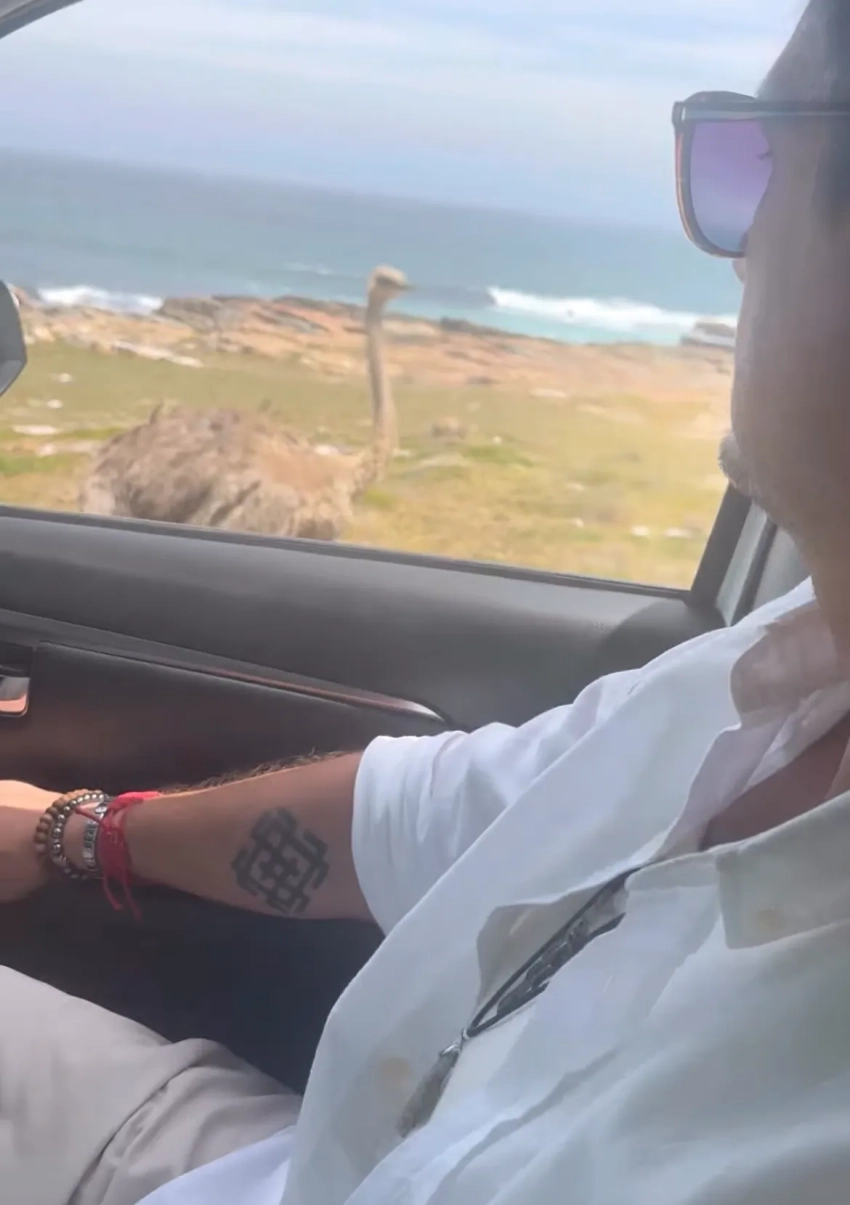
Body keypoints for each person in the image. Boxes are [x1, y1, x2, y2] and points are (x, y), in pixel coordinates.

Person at [4, 2, 850, 1202]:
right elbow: (435, 810)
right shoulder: (775, 670)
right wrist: (75, 829)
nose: (738, 245)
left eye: (754, 161)